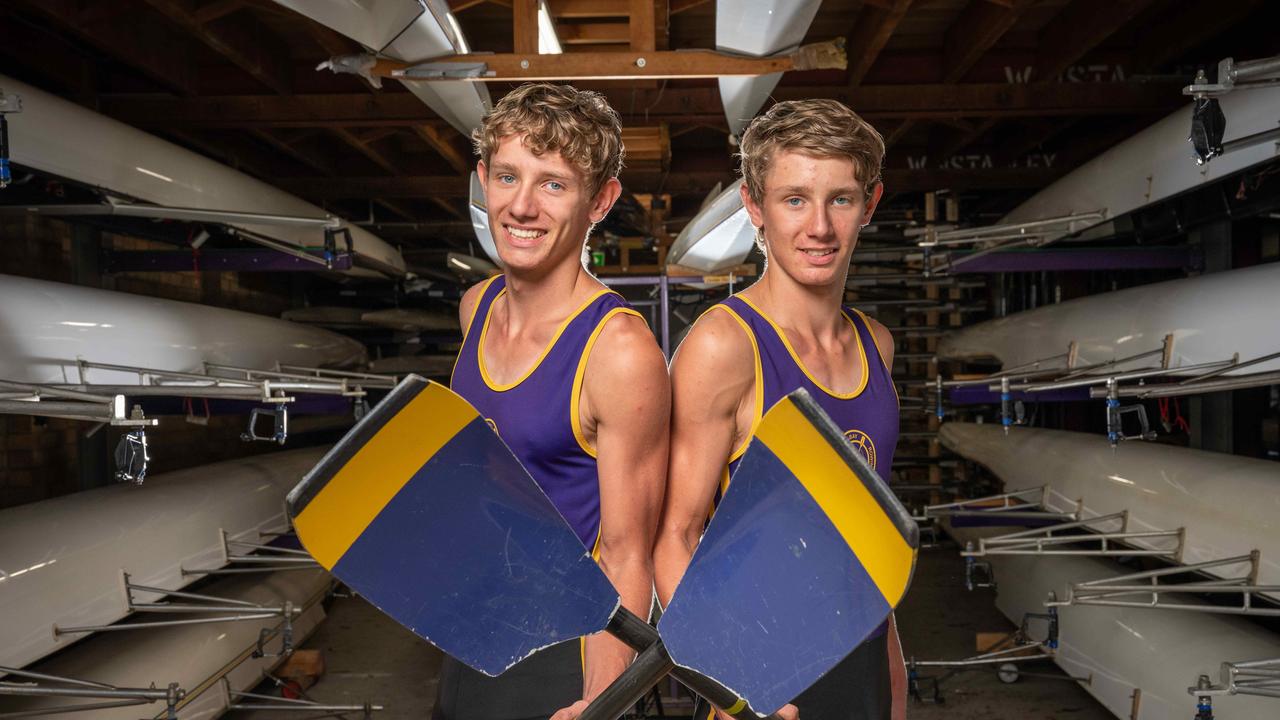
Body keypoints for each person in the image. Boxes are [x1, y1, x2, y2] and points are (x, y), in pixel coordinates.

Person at [653, 99, 907, 720]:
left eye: (840, 199)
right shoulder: (725, 345)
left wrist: (895, 679)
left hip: (864, 659)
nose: (818, 226)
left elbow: (868, 539)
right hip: (757, 669)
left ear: (869, 205)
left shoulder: (877, 345)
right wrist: (731, 689)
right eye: (794, 198)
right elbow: (674, 537)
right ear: (755, 206)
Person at [438, 83, 671, 720]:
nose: (521, 206)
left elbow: (628, 551)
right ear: (482, 178)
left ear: (601, 200)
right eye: (508, 176)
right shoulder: (476, 308)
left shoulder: (618, 350)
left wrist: (600, 702)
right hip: (474, 627)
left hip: (563, 654)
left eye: (553, 184)